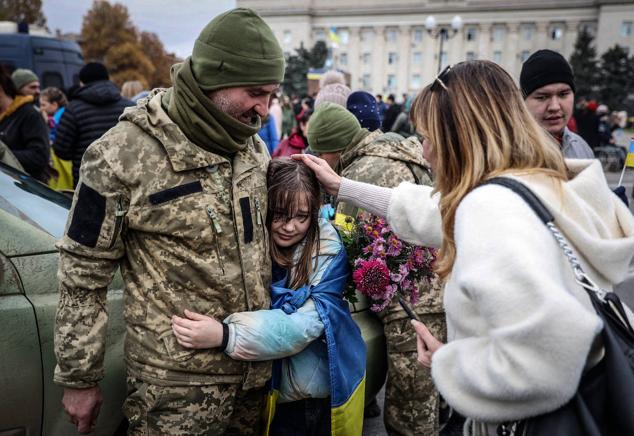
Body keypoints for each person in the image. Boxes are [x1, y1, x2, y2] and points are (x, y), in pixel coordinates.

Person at [296, 60, 634, 435]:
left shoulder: (491, 207)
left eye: (427, 137)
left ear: (459, 135)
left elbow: (547, 360)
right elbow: (434, 211)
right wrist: (342, 186)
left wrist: (450, 363)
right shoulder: (536, 181)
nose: (423, 153)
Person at [53, 8, 285, 435]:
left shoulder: (251, 148)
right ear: (215, 78)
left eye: (271, 94)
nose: (264, 109)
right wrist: (79, 378)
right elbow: (81, 273)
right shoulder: (120, 154)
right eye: (255, 92)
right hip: (176, 391)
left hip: (253, 375)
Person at [171, 158, 366, 435]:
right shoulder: (254, 244)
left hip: (313, 395)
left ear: (314, 212)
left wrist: (226, 335)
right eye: (280, 215)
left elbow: (305, 325)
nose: (290, 227)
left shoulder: (328, 249)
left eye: (301, 216)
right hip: (273, 392)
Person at [307, 102, 446, 435]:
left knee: (408, 414)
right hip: (437, 291)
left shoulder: (362, 171)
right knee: (429, 398)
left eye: (320, 154)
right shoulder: (398, 149)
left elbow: (348, 241)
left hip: (410, 304)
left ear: (332, 149)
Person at [52, 62, 134, 186]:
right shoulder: (130, 107)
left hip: (87, 182)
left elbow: (61, 150)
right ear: (107, 78)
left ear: (82, 82)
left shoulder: (74, 109)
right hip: (125, 180)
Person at [520, 50, 594, 159]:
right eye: (542, 97)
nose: (554, 107)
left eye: (563, 94)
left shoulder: (581, 148)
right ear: (522, 101)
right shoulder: (507, 152)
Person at [0, 67, 49, 181]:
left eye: (38, 87)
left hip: (26, 189)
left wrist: (5, 155)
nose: (38, 91)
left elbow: (39, 157)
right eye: (32, 87)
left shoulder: (30, 115)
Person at [40, 86, 73, 190]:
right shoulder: (63, 112)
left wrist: (46, 121)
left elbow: (56, 129)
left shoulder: (61, 115)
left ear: (54, 104)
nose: (41, 108)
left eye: (43, 105)